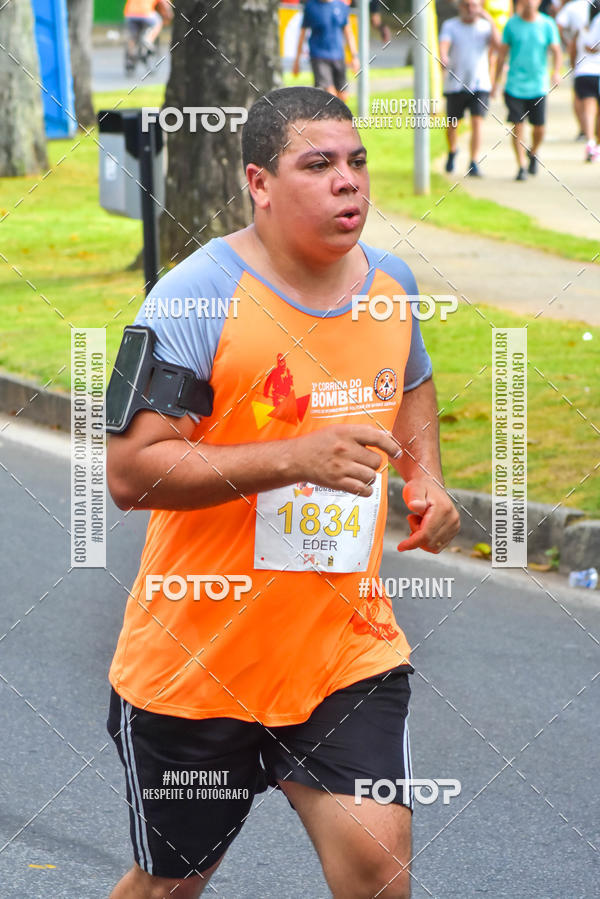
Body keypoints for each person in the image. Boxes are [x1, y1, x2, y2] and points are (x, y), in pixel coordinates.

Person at [105, 85, 460, 899]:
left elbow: (412, 378)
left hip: (343, 650)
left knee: (379, 867)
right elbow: (131, 472)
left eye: (358, 162)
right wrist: (296, 455)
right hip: (199, 663)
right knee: (172, 882)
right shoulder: (194, 298)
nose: (350, 183)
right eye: (320, 164)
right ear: (259, 183)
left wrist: (425, 473)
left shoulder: (391, 285)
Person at [492, 0, 562, 180]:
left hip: (538, 84)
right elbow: (502, 54)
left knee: (539, 129)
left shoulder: (547, 24)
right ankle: (521, 166)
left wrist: (556, 72)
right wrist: (496, 82)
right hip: (514, 85)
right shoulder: (512, 25)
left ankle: (533, 152)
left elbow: (556, 50)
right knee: (518, 125)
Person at [439, 0, 501, 176]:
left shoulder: (485, 27)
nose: (470, 9)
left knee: (477, 122)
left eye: (474, 5)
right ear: (460, 7)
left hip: (480, 83)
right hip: (455, 83)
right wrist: (443, 56)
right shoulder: (451, 25)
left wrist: (489, 19)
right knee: (452, 124)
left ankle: (473, 161)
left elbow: (499, 46)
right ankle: (452, 151)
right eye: (466, 5)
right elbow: (444, 44)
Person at [292, 0, 360, 102]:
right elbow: (302, 34)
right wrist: (297, 60)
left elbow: (348, 33)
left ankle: (329, 115)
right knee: (329, 95)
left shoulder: (341, 6)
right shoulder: (310, 6)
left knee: (343, 96)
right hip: (318, 56)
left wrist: (354, 57)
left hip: (338, 56)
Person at [556, 0, 595, 140]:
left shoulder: (572, 9)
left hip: (582, 68)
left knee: (582, 99)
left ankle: (585, 132)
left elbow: (558, 26)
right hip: (588, 68)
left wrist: (565, 44)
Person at [568, 0, 600, 158]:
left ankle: (590, 141)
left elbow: (573, 49)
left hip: (583, 71)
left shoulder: (582, 28)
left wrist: (575, 68)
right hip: (595, 72)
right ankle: (596, 145)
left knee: (589, 110)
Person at [123, 0, 171, 74]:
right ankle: (148, 39)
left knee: (132, 37)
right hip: (145, 13)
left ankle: (130, 57)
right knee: (158, 22)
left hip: (130, 14)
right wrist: (169, 13)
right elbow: (165, 3)